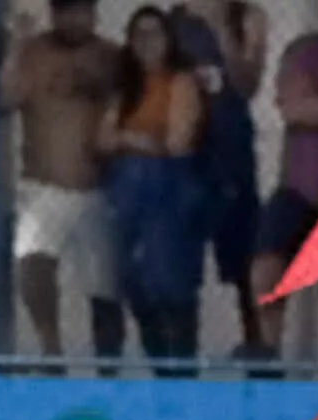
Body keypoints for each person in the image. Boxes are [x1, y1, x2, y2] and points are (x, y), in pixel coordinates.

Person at [0, 0, 124, 361]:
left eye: (81, 10)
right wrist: (16, 46)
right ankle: (51, 350)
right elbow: (6, 98)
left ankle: (109, 369)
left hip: (99, 187)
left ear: (94, 13)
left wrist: (99, 90)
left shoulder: (112, 57)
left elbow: (130, 101)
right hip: (44, 185)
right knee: (31, 262)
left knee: (105, 288)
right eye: (65, 10)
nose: (74, 19)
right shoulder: (33, 52)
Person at [245, 0, 318, 362]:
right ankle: (269, 354)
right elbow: (294, 107)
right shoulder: (303, 50)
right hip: (300, 187)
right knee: (266, 266)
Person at [98, 5, 207, 369]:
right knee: (135, 287)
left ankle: (181, 373)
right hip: (128, 197)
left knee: (170, 287)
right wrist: (142, 139)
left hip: (169, 193)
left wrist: (129, 138)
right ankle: (159, 365)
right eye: (138, 35)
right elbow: (102, 139)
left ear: (168, 40)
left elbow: (176, 143)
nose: (147, 42)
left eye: (154, 33)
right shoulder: (125, 87)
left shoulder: (181, 81)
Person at [168, 0, 268, 355]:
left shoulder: (247, 18)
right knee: (183, 256)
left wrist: (222, 29)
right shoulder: (174, 21)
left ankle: (256, 347)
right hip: (189, 154)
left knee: (244, 258)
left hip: (232, 151)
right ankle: (182, 355)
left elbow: (246, 85)